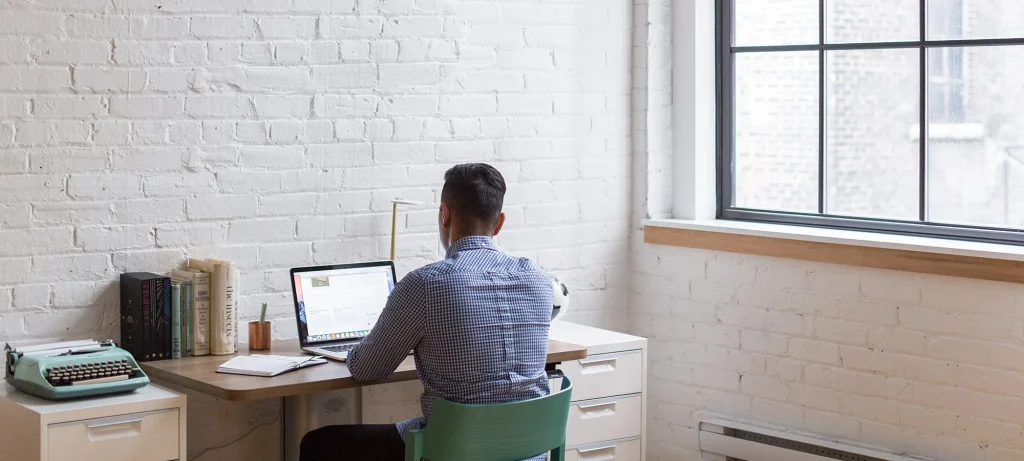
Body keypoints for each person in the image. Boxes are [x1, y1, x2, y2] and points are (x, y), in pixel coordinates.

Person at [299, 163, 554, 461]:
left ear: (444, 214)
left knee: (319, 444)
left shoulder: (426, 284)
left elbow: (367, 369)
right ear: (499, 224)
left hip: (452, 450)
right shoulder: (539, 279)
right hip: (529, 450)